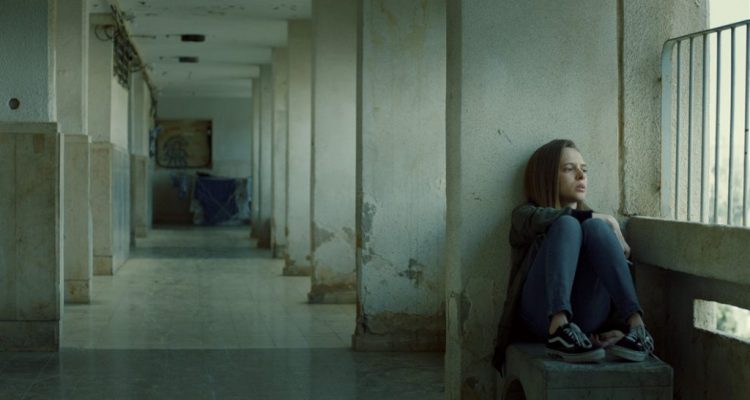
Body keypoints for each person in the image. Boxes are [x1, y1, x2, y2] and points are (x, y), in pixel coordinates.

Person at [493, 139, 654, 371]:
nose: (581, 175)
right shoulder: (524, 215)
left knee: (595, 228)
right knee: (568, 223)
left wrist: (619, 330)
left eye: (584, 169)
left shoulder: (597, 227)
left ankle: (637, 328)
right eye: (569, 169)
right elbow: (546, 219)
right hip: (539, 316)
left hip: (586, 320)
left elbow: (614, 276)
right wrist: (604, 219)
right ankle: (558, 328)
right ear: (547, 177)